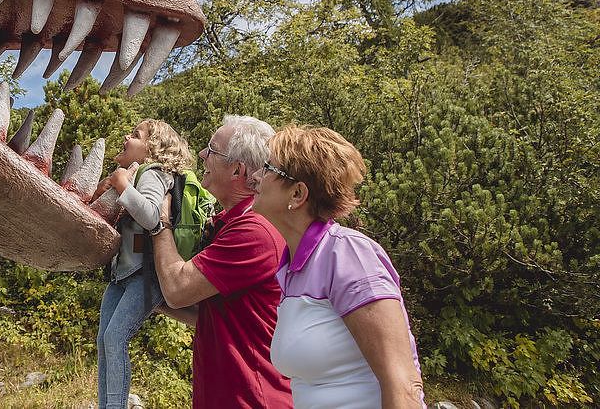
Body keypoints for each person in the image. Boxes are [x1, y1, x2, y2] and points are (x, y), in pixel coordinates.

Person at [249, 125, 424, 409]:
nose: (256, 176)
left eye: (268, 168)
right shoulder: (293, 267)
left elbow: (402, 384)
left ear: (297, 194)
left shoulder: (348, 255)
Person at [149, 115, 293, 408]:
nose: (202, 154)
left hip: (253, 400)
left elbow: (178, 288)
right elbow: (211, 316)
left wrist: (158, 220)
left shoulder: (254, 231)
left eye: (212, 150)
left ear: (237, 170)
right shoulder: (233, 224)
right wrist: (147, 294)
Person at [93, 119, 195, 409]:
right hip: (124, 272)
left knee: (114, 338)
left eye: (135, 135)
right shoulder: (141, 173)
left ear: (151, 147)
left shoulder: (153, 172)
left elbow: (152, 217)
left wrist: (123, 183)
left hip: (144, 272)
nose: (127, 136)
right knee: (105, 341)